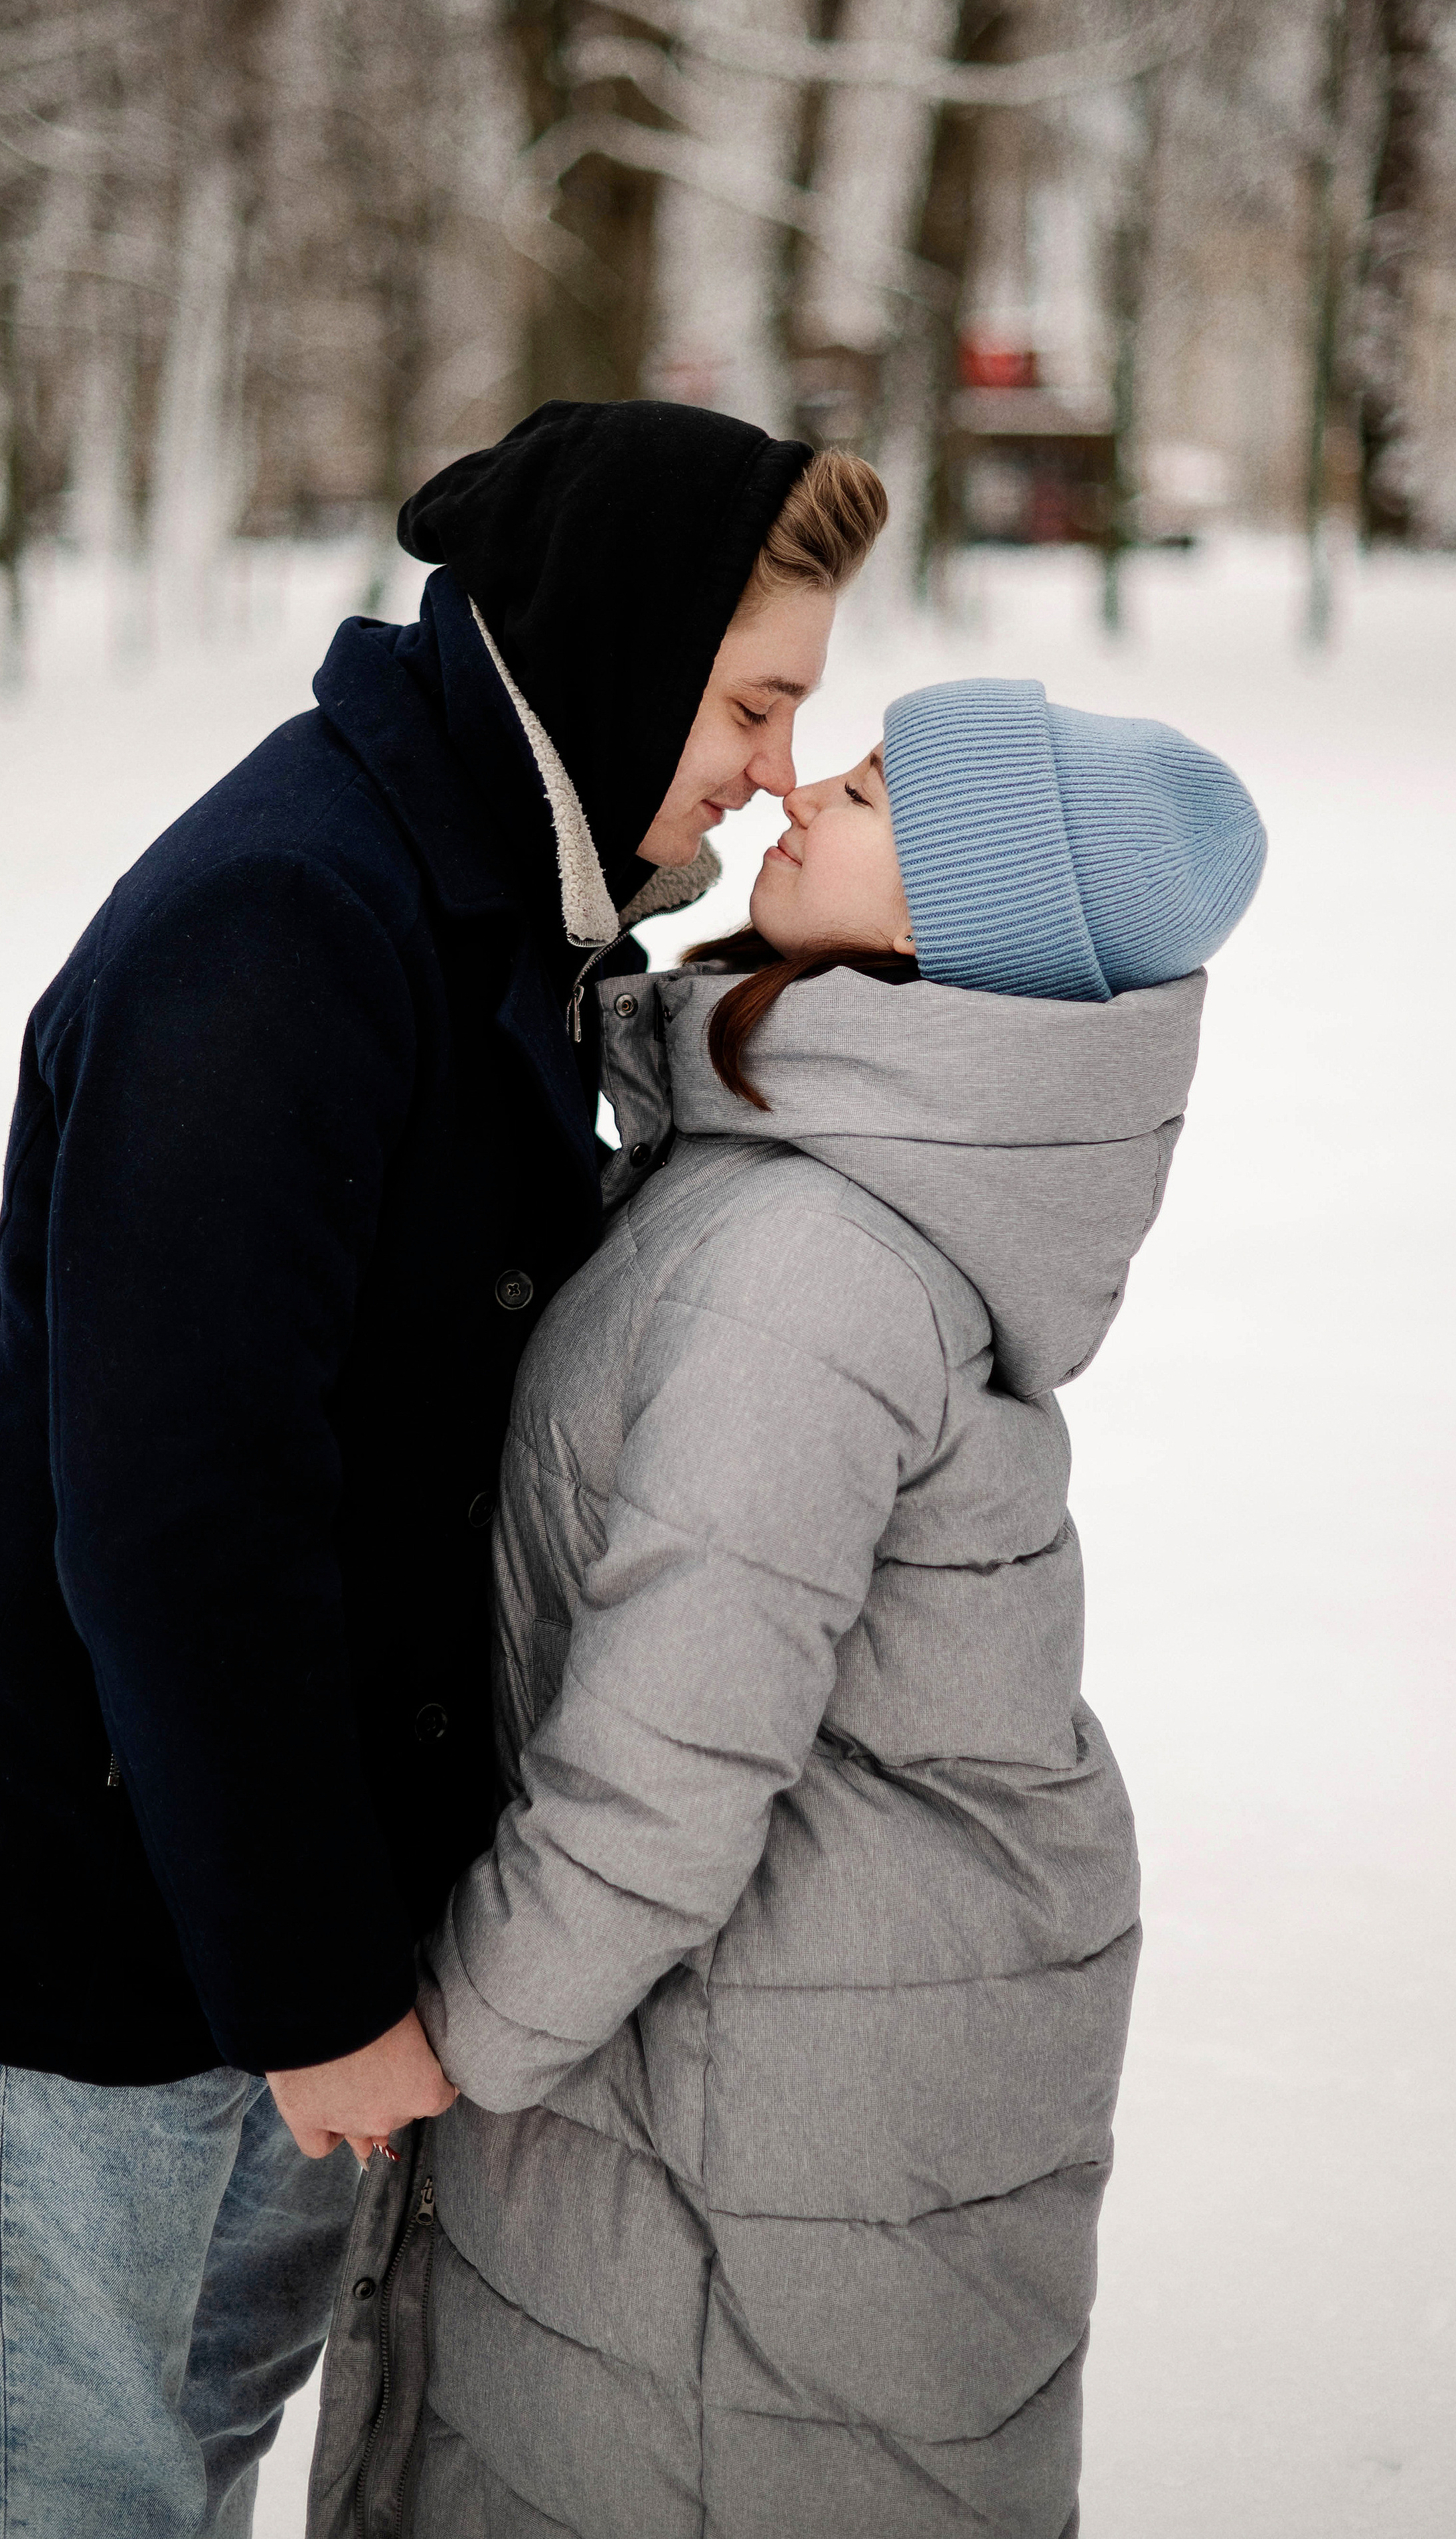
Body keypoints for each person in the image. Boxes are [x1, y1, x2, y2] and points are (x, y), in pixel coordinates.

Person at [0, 400, 888, 2538]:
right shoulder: (288, 924)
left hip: (257, 1926)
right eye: (754, 705)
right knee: (73, 2501)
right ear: (625, 656)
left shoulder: (490, 896)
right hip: (105, 1932)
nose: (769, 771)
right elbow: (183, 1513)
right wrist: (315, 1991)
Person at [316, 677, 1267, 2537]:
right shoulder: (788, 1180)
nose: (810, 784)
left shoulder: (805, 1268)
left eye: (883, 786)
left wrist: (454, 2035)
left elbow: (668, 1765)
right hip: (808, 2032)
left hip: (779, 2078)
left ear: (953, 923)